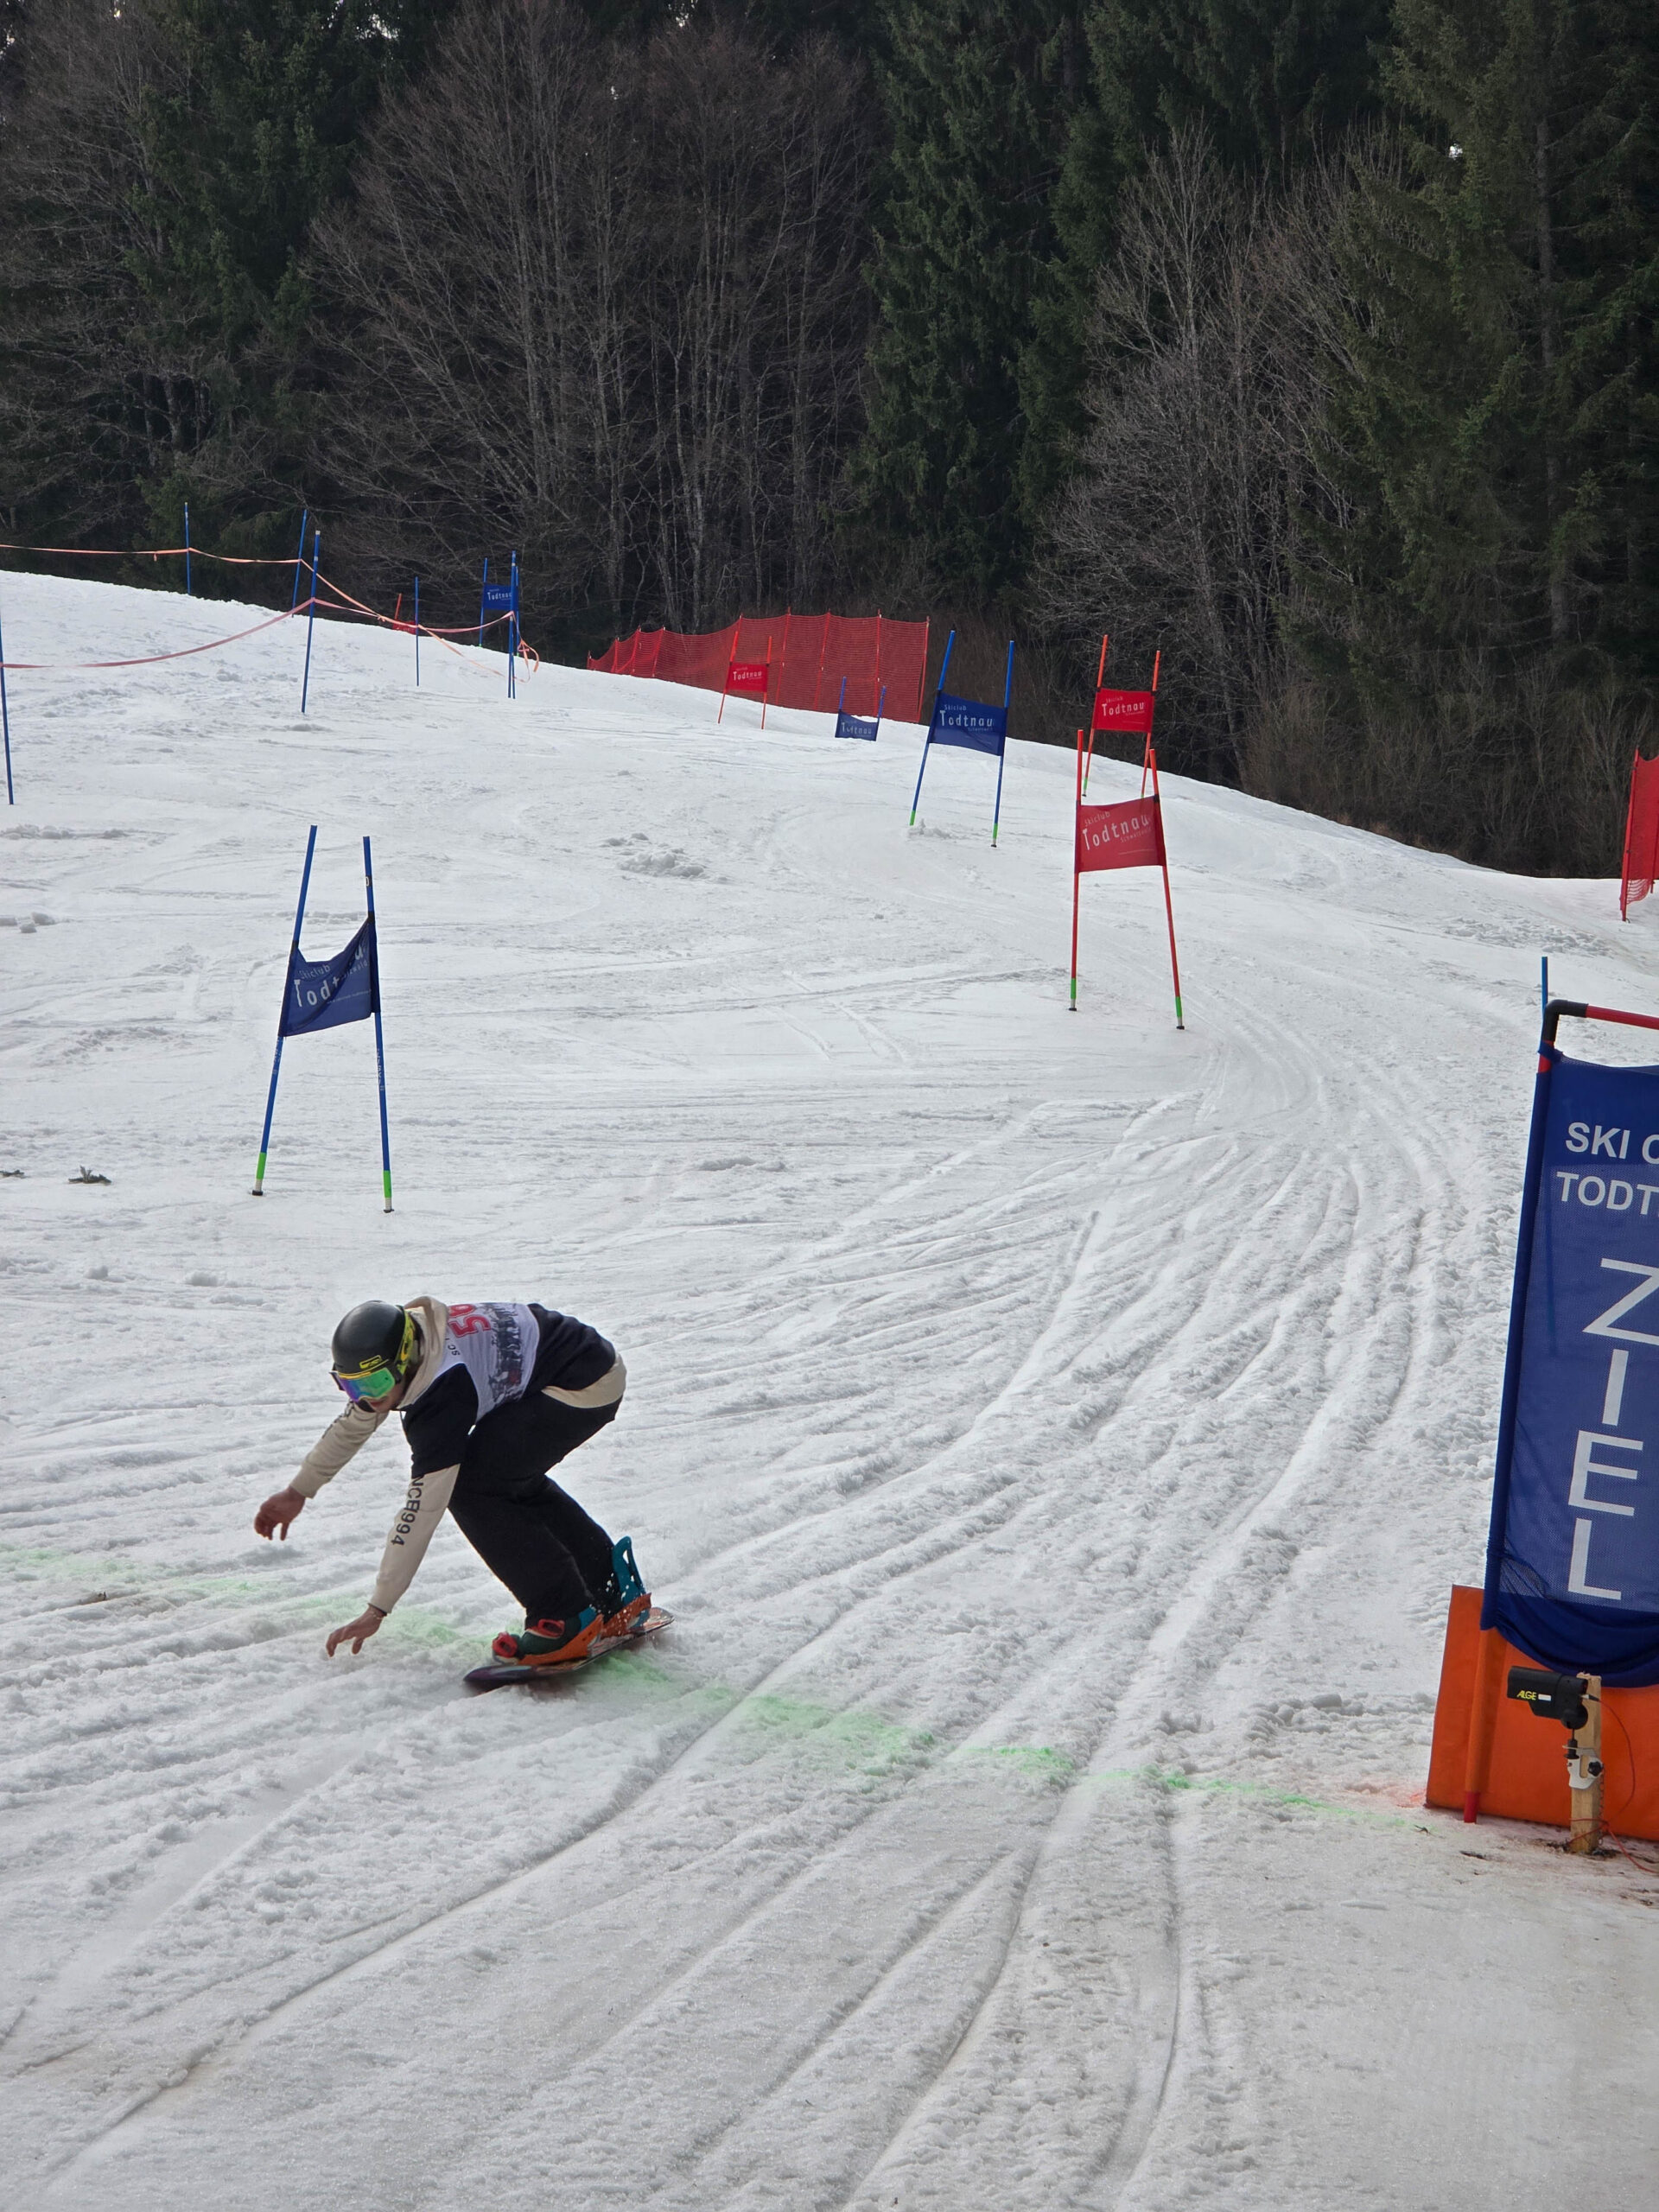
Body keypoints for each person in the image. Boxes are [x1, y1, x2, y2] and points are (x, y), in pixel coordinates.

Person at [254, 1296, 649, 1665]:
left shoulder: (441, 1394)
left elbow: (422, 1510)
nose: (364, 1398)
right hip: (571, 1361)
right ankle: (612, 1591)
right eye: (349, 1385)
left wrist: (378, 1607)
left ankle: (563, 1617)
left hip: (584, 1382)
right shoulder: (411, 1347)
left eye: (374, 1385)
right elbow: (355, 1423)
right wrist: (298, 1491)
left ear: (405, 1361)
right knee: (504, 1476)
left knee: (472, 1487)